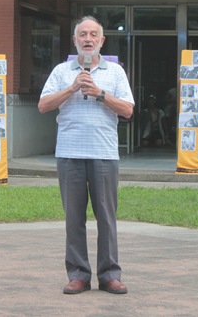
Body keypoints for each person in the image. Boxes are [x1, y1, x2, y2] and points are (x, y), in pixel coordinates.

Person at [38, 16, 135, 295]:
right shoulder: (61, 71)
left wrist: (100, 93)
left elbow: (128, 110)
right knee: (74, 218)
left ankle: (110, 275)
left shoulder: (115, 72)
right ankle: (78, 274)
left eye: (93, 35)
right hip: (69, 154)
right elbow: (43, 105)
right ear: (75, 40)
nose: (88, 39)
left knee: (106, 217)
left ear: (102, 41)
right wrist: (71, 88)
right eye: (83, 34)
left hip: (104, 153)